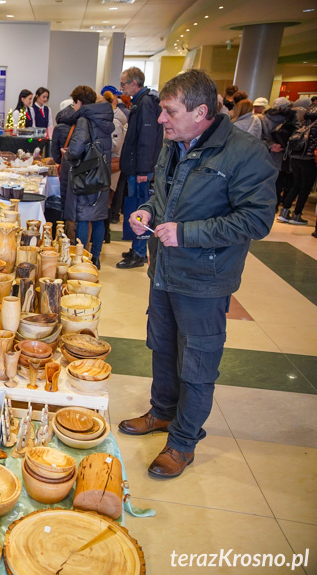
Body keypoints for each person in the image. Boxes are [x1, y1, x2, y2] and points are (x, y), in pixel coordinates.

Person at [119, 69, 275, 478]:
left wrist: (187, 234)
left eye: (169, 111)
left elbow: (257, 220)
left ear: (200, 111)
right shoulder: (174, 144)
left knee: (197, 363)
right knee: (163, 348)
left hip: (205, 281)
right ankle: (162, 413)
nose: (160, 119)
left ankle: (183, 442)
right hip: (165, 271)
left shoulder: (245, 153)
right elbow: (160, 194)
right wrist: (148, 212)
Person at [116, 66, 163, 269]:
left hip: (140, 170)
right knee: (136, 206)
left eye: (124, 83)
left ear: (134, 83)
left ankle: (139, 252)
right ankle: (137, 248)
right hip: (137, 167)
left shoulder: (145, 104)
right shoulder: (142, 102)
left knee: (140, 209)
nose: (122, 87)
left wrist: (144, 170)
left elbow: (147, 139)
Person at [64, 87, 113, 268]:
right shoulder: (105, 117)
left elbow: (76, 149)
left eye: (74, 103)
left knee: (83, 216)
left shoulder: (84, 120)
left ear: (79, 102)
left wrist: (67, 154)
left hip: (86, 173)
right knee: (99, 217)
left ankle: (81, 259)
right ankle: (96, 258)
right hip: (102, 174)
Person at [277, 103, 317, 226]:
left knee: (296, 185)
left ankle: (284, 211)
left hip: (295, 157)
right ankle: (297, 214)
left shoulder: (305, 124)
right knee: (305, 188)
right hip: (308, 159)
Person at [262, 97, 299, 210]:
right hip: (284, 154)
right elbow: (296, 135)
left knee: (265, 181)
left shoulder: (264, 118)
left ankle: (264, 204)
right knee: (279, 181)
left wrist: (270, 144)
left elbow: (260, 135)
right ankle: (275, 205)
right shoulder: (292, 118)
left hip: (267, 153)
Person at [102, 89, 128, 243]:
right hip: (109, 164)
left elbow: (115, 145)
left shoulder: (115, 121)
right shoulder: (113, 119)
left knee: (108, 201)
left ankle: (106, 234)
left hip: (112, 165)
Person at [50, 98, 77, 227]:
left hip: (65, 169)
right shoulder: (84, 124)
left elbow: (55, 155)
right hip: (82, 170)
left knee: (65, 201)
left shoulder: (59, 128)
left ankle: (63, 230)